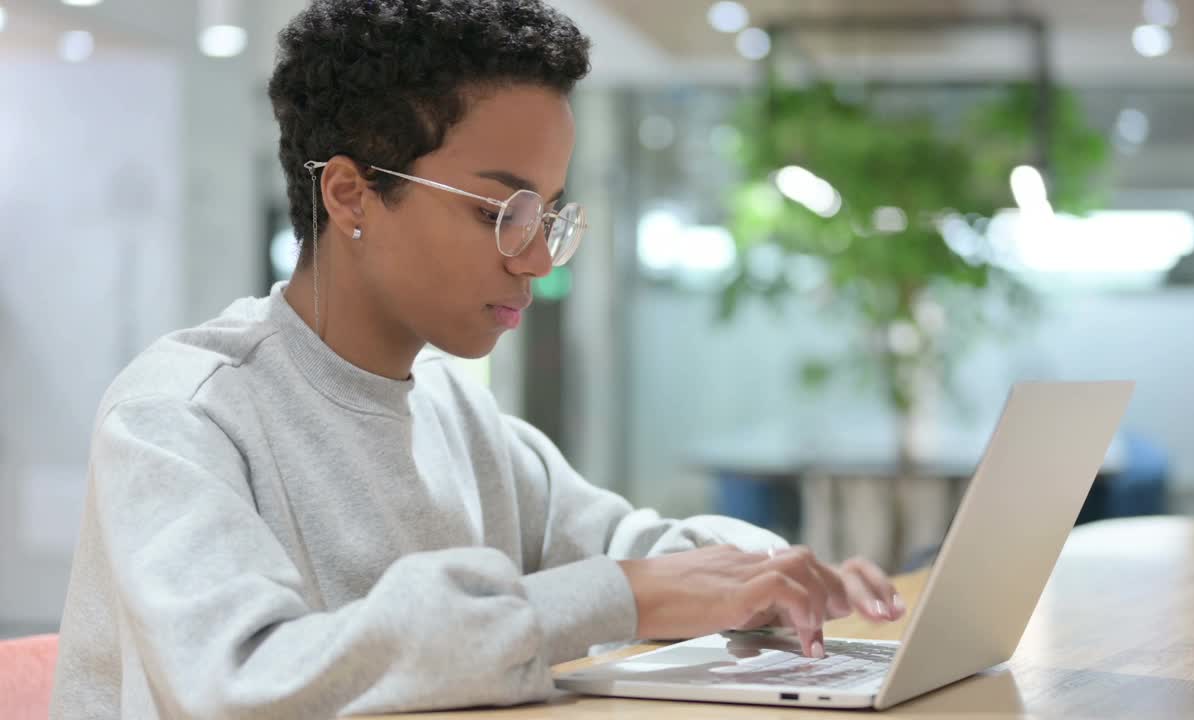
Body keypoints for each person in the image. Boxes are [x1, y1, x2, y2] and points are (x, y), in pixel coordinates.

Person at [50, 1, 903, 717]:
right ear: (350, 192)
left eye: (550, 217)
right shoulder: (180, 416)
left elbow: (623, 542)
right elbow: (240, 684)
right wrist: (627, 594)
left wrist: (769, 571)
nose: (535, 259)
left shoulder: (457, 410)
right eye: (503, 211)